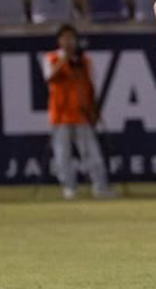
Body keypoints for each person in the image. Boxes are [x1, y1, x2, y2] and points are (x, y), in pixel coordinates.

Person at [43, 25, 112, 201]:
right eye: (65, 38)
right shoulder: (52, 58)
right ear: (59, 41)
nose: (68, 41)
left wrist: (94, 111)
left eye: (71, 38)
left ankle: (100, 187)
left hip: (82, 114)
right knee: (62, 155)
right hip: (60, 116)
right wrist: (64, 59)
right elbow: (49, 77)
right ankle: (69, 188)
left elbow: (90, 86)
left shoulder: (84, 60)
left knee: (91, 153)